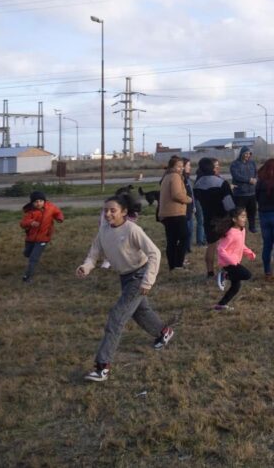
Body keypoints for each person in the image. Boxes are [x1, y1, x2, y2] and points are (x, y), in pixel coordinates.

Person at [76, 191, 173, 382]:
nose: (108, 214)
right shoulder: (104, 229)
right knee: (140, 311)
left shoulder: (132, 230)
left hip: (139, 276)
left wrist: (147, 280)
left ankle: (102, 367)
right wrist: (86, 267)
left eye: (113, 210)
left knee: (116, 318)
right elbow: (94, 253)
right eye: (105, 211)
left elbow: (155, 253)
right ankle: (164, 332)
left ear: (124, 212)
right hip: (125, 278)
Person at [194, 158, 236, 288]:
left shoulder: (197, 184)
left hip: (208, 217)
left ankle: (210, 272)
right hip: (223, 218)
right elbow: (229, 203)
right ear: (212, 168)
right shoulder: (221, 183)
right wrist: (233, 216)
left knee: (211, 245)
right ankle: (227, 271)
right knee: (226, 246)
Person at [214, 207, 256, 310]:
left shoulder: (242, 230)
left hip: (235, 261)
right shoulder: (231, 233)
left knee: (236, 287)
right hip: (228, 263)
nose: (244, 219)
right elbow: (220, 249)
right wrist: (231, 261)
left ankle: (221, 305)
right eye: (242, 216)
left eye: (245, 216)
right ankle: (224, 275)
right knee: (247, 275)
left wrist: (249, 252)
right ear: (234, 219)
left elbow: (240, 245)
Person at [19, 190, 64, 282]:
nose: (38, 203)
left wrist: (59, 218)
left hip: (43, 238)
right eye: (36, 202)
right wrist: (31, 222)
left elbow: (58, 212)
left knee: (33, 258)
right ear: (32, 203)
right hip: (30, 239)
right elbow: (23, 223)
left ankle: (27, 277)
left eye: (40, 201)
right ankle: (28, 255)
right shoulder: (30, 212)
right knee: (27, 253)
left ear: (44, 201)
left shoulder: (51, 207)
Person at [158, 155, 192, 272]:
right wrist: (188, 199)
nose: (181, 168)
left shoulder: (166, 176)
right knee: (185, 237)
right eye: (179, 166)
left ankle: (173, 265)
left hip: (167, 213)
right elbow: (177, 194)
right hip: (175, 213)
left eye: (182, 166)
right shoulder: (175, 177)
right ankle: (178, 263)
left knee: (171, 240)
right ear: (173, 166)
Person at [229, 147, 258, 233]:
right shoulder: (235, 164)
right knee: (238, 212)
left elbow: (256, 173)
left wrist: (255, 179)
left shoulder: (252, 163)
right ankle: (238, 227)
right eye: (246, 154)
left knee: (252, 211)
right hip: (240, 193)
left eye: (249, 154)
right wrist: (248, 180)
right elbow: (236, 175)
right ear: (241, 154)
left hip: (252, 193)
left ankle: (252, 227)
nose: (247, 155)